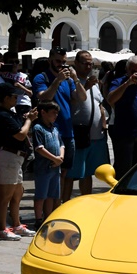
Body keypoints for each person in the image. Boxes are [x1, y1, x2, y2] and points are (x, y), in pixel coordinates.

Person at [34, 47, 86, 201]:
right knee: (48, 173)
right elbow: (44, 98)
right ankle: (45, 210)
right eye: (58, 61)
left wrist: (76, 79)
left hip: (67, 132)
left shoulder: (69, 80)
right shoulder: (41, 77)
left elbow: (82, 98)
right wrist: (57, 80)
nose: (61, 65)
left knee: (64, 172)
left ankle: (59, 204)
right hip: (49, 132)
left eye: (64, 62)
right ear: (50, 59)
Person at [0, 82, 38, 239]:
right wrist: (29, 120)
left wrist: (25, 118)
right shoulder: (2, 115)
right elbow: (20, 134)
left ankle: (16, 224)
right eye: (13, 97)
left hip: (16, 158)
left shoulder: (10, 113)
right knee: (5, 195)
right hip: (7, 157)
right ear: (5, 98)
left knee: (17, 193)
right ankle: (2, 228)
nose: (16, 99)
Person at [68, 50, 110, 195]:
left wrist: (104, 123)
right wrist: (85, 86)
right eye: (85, 63)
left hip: (96, 136)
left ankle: (86, 198)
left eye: (90, 63)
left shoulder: (95, 83)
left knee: (89, 172)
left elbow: (100, 105)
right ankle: (65, 202)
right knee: (73, 173)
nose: (88, 66)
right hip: (80, 134)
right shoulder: (71, 81)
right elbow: (74, 99)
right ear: (76, 63)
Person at [108, 55, 137, 179]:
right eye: (133, 71)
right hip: (124, 132)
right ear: (127, 69)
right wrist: (128, 83)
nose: (136, 74)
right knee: (124, 170)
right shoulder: (118, 82)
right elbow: (110, 98)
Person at [32, 102, 64, 228]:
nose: (55, 115)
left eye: (56, 113)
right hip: (43, 168)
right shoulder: (38, 128)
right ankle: (38, 219)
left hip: (55, 168)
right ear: (43, 113)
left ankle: (48, 217)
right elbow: (39, 148)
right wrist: (54, 159)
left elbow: (61, 144)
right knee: (41, 195)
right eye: (53, 113)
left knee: (51, 195)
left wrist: (60, 157)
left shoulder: (54, 128)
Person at [0, 50, 32, 116]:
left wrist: (20, 86)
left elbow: (30, 93)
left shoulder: (24, 76)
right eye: (11, 62)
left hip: (23, 104)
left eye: (16, 62)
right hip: (10, 104)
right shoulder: (2, 75)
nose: (14, 64)